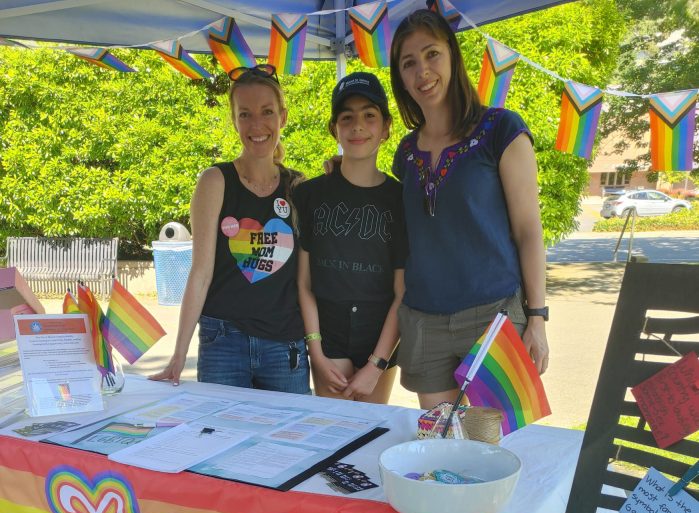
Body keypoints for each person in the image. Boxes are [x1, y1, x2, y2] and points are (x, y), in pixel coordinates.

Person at [389, 9, 549, 409]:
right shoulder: (405, 153)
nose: (422, 71)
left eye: (431, 54)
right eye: (408, 63)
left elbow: (529, 230)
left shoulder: (501, 130)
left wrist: (538, 317)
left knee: (492, 451)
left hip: (493, 317)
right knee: (442, 457)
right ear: (401, 78)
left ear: (453, 57)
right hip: (425, 322)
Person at [152, 64, 310, 394]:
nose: (257, 125)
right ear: (233, 119)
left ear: (282, 116)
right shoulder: (215, 180)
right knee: (218, 437)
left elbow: (307, 278)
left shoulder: (298, 186)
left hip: (285, 348)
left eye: (267, 112)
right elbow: (200, 272)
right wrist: (178, 355)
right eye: (245, 114)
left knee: (287, 443)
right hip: (223, 343)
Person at [294, 72, 407, 403]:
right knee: (331, 435)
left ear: (386, 128)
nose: (358, 126)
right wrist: (316, 351)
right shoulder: (310, 194)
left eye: (369, 116)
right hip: (328, 339)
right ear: (335, 129)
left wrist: (377, 364)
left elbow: (403, 292)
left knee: (371, 433)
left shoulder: (402, 199)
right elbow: (304, 283)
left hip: (380, 340)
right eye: (347, 117)